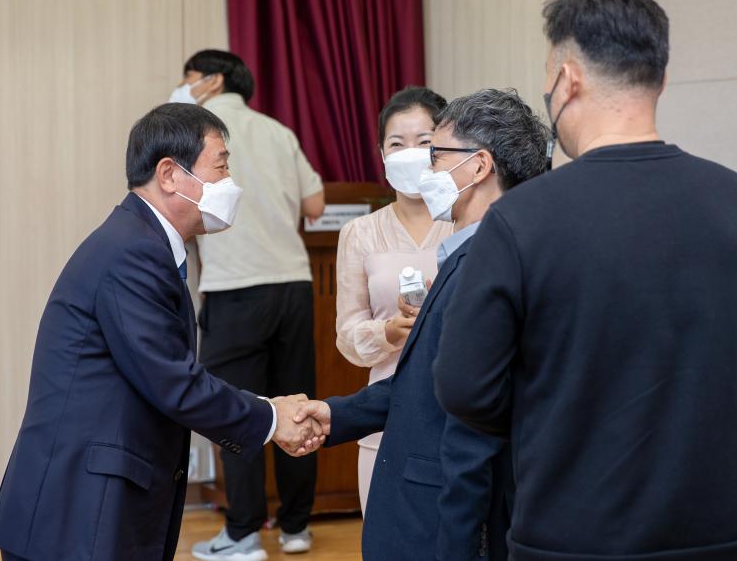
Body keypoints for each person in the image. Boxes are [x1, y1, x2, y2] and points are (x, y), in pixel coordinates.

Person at [433, 0, 737, 561]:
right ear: (660, 79)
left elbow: (465, 387)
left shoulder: (522, 218)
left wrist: (560, 402)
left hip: (569, 535)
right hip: (716, 533)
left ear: (567, 80)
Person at [0, 104, 324, 561]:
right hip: (79, 509)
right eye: (221, 167)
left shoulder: (141, 243)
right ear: (169, 174)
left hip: (91, 503)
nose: (230, 183)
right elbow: (175, 382)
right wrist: (271, 418)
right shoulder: (134, 252)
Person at [296, 89, 549, 560]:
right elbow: (431, 380)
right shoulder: (482, 253)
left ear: (478, 166)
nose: (425, 170)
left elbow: (473, 418)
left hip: (442, 508)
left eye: (435, 154)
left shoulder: (487, 266)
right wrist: (337, 415)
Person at [171, 50, 326, 561]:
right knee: (296, 404)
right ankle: (296, 527)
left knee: (235, 409)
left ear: (213, 81)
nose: (183, 87)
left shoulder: (197, 133)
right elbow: (316, 205)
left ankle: (242, 534)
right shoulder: (279, 131)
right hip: (294, 285)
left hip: (235, 287)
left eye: (189, 79)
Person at [334, 86, 453, 512]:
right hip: (387, 411)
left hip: (458, 408)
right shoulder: (360, 233)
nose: (410, 154)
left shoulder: (467, 221)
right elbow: (347, 335)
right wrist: (388, 331)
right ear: (381, 154)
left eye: (424, 142)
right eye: (397, 144)